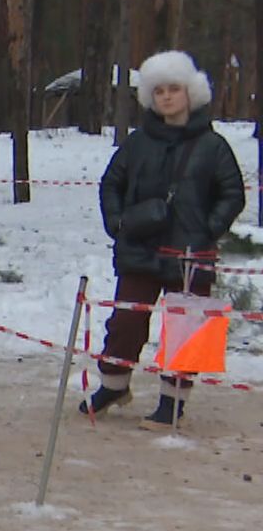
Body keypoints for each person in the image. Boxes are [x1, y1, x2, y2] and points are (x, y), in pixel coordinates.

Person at [80, 50, 246, 429]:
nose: (167, 97)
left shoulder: (213, 146)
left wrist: (208, 228)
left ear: (191, 92)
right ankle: (113, 386)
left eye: (174, 89)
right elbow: (111, 184)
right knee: (125, 322)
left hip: (191, 254)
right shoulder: (137, 142)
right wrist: (117, 222)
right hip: (140, 247)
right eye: (159, 91)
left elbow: (232, 193)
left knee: (187, 328)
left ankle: (173, 402)